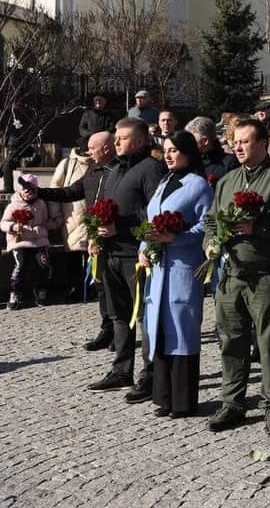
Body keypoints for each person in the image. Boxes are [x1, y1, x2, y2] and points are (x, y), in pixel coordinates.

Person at [39, 118, 167, 400]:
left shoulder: (151, 168)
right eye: (116, 138)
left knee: (144, 316)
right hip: (110, 252)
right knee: (119, 314)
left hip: (135, 254)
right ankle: (121, 370)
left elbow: (155, 212)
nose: (116, 142)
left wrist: (122, 227)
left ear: (140, 141)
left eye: (122, 138)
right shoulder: (115, 169)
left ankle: (150, 375)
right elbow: (103, 206)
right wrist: (98, 232)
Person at [205, 119, 270, 436]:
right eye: (235, 142)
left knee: (269, 342)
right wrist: (210, 242)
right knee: (231, 339)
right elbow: (211, 220)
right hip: (230, 274)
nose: (238, 147)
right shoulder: (227, 181)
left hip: (265, 274)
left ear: (262, 144)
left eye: (245, 142)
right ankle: (232, 402)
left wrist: (258, 228)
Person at [138, 131, 214, 419]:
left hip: (182, 266)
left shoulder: (199, 185)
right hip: (158, 268)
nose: (168, 155)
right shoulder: (163, 182)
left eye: (174, 150)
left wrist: (176, 238)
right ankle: (164, 397)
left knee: (181, 330)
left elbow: (205, 226)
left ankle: (183, 401)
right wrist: (144, 248)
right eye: (166, 150)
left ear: (188, 152)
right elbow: (151, 221)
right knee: (159, 328)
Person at [51, 132, 115, 349]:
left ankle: (122, 332)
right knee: (101, 283)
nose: (89, 152)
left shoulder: (119, 169)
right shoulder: (93, 170)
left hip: (117, 238)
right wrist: (39, 192)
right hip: (95, 234)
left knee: (117, 288)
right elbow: (70, 191)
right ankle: (108, 329)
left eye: (92, 148)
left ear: (105, 148)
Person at [3, 174, 57, 308]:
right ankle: (15, 294)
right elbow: (3, 223)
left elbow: (44, 221)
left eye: (31, 190)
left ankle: (41, 292)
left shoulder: (41, 204)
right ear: (20, 190)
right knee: (21, 266)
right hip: (20, 241)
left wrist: (54, 224)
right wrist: (13, 227)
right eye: (25, 190)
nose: (28, 193)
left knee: (44, 264)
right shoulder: (13, 205)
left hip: (39, 240)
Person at [48, 145, 93, 300]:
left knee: (93, 253)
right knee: (73, 255)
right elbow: (55, 188)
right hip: (71, 217)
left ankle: (91, 288)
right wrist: (56, 214)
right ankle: (75, 288)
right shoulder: (67, 164)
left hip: (94, 216)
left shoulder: (101, 163)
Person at [185, 116, 238, 183]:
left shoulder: (230, 163)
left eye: (191, 140)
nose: (188, 143)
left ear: (205, 141)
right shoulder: (189, 161)